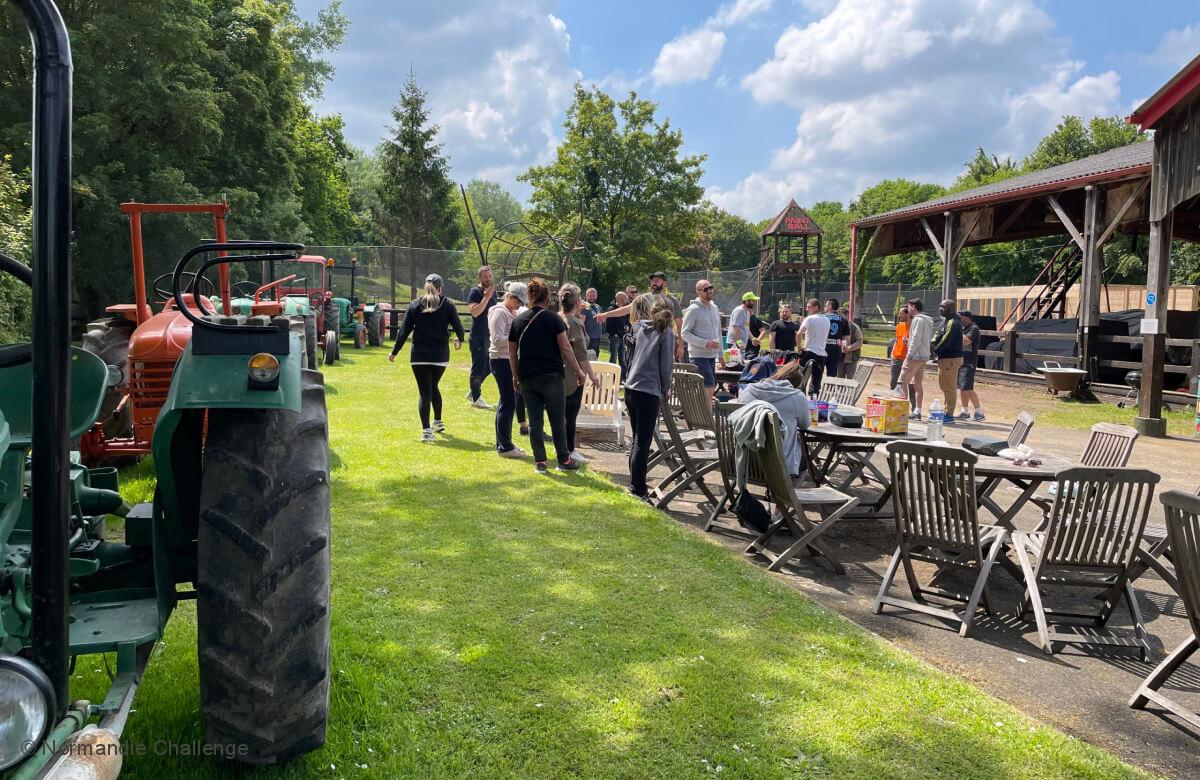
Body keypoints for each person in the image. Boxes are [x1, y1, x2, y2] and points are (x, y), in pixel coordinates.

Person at [508, 278, 586, 473]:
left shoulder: (518, 320)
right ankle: (563, 460)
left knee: (535, 422)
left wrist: (515, 376)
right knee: (558, 420)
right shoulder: (553, 319)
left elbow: (512, 352)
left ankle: (540, 462)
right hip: (551, 375)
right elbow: (566, 348)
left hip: (527, 376)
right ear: (547, 297)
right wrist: (578, 371)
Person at [389, 274, 464, 442]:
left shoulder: (415, 304)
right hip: (440, 356)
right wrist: (460, 340)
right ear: (441, 288)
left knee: (425, 391)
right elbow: (458, 326)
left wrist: (394, 352)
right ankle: (437, 421)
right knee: (432, 386)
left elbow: (403, 332)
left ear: (425, 287)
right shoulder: (448, 304)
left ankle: (427, 431)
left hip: (419, 356)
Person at [624, 293, 675, 501]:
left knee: (637, 439)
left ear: (652, 311)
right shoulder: (667, 333)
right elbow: (665, 366)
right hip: (648, 390)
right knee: (642, 442)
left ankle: (634, 482)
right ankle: (638, 489)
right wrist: (666, 387)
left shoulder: (640, 327)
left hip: (630, 387)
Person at [738, 360, 811, 479]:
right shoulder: (797, 397)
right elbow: (805, 425)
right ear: (797, 384)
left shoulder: (749, 391)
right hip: (779, 467)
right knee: (806, 458)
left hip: (745, 462)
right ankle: (789, 493)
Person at [559, 284, 600, 464]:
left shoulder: (559, 318)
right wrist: (592, 376)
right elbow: (582, 354)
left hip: (560, 372)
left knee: (562, 414)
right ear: (577, 302)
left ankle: (564, 447)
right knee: (571, 413)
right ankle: (570, 449)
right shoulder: (574, 322)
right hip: (572, 375)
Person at [487, 282, 528, 458]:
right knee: (508, 402)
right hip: (500, 361)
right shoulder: (499, 312)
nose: (520, 305)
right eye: (518, 301)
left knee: (507, 402)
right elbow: (497, 340)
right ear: (510, 296)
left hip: (508, 360)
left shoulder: (512, 312)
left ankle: (505, 442)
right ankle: (505, 446)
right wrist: (518, 338)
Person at [681, 279, 724, 402]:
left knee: (707, 387)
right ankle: (707, 418)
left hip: (712, 356)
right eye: (706, 289)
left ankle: (700, 415)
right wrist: (706, 343)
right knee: (708, 386)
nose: (710, 290)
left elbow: (718, 333)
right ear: (698, 292)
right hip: (698, 356)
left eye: (711, 287)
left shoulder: (714, 308)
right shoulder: (693, 309)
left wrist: (721, 355)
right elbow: (684, 333)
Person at [895, 298, 933, 419]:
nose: (908, 309)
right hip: (923, 355)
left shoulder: (917, 320)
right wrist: (910, 340)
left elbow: (916, 338)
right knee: (917, 383)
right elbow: (920, 338)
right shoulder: (927, 320)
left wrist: (909, 353)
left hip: (915, 356)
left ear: (914, 307)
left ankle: (903, 412)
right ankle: (917, 411)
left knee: (902, 382)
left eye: (909, 307)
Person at [466, 266, 497, 409]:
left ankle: (473, 391)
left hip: (490, 335)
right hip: (478, 336)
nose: (488, 279)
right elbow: (475, 312)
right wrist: (486, 297)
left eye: (490, 276)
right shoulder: (475, 292)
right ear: (479, 278)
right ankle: (476, 398)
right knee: (478, 367)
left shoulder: (493, 292)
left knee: (491, 367)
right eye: (486, 277)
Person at [932, 298, 964, 422]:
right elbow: (937, 336)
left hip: (951, 358)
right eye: (940, 306)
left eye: (943, 307)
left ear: (951, 309)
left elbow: (946, 340)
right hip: (945, 358)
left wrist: (935, 351)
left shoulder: (954, 323)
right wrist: (931, 345)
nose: (940, 309)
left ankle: (949, 414)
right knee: (945, 386)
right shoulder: (945, 321)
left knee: (949, 387)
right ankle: (946, 410)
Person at [648, 271, 685, 361]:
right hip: (648, 338)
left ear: (664, 283)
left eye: (657, 280)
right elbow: (627, 309)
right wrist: (607, 314)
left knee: (666, 365)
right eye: (653, 281)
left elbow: (679, 324)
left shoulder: (672, 300)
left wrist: (681, 344)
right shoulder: (645, 298)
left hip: (666, 338)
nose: (654, 283)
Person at [957, 310, 985, 421]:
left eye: (961, 317)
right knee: (962, 388)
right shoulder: (964, 329)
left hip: (969, 363)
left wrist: (958, 329)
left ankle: (979, 412)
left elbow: (966, 341)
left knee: (967, 388)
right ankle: (965, 411)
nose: (959, 320)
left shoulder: (974, 328)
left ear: (967, 318)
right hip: (961, 361)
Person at [798, 298, 829, 396]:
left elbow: (798, 334)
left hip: (809, 352)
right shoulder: (826, 319)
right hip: (821, 355)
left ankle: (800, 400)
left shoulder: (810, 318)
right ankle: (813, 404)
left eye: (809, 307)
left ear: (816, 308)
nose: (807, 309)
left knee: (801, 380)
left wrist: (799, 347)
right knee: (816, 382)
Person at [727, 292, 760, 357]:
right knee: (733, 365)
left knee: (740, 365)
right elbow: (735, 328)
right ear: (747, 301)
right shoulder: (739, 311)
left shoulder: (747, 313)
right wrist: (739, 343)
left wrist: (753, 339)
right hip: (734, 344)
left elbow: (746, 328)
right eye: (752, 300)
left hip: (741, 345)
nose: (754, 302)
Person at [606, 291, 630, 375]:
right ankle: (610, 375)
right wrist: (614, 334)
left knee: (622, 358)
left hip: (622, 337)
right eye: (626, 298)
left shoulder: (624, 309)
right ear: (622, 299)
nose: (627, 299)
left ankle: (622, 376)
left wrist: (627, 326)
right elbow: (609, 325)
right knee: (613, 357)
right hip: (615, 337)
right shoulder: (612, 309)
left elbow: (627, 320)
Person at [823, 298, 847, 380]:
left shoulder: (822, 318)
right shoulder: (843, 320)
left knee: (817, 373)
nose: (824, 308)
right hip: (835, 351)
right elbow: (845, 338)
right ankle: (829, 392)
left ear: (829, 306)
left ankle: (814, 392)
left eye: (826, 306)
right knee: (832, 376)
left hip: (822, 349)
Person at [839, 306, 863, 379]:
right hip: (839, 359)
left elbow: (860, 341)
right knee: (838, 380)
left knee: (851, 380)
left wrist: (849, 348)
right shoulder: (836, 327)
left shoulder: (854, 327)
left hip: (851, 359)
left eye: (841, 315)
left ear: (846, 315)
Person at [581, 287, 604, 357]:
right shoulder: (584, 307)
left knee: (596, 356)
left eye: (594, 296)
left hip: (597, 337)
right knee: (590, 358)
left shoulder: (598, 307)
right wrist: (584, 336)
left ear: (596, 296)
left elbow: (601, 320)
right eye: (590, 295)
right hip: (589, 338)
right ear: (586, 296)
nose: (592, 297)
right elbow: (581, 323)